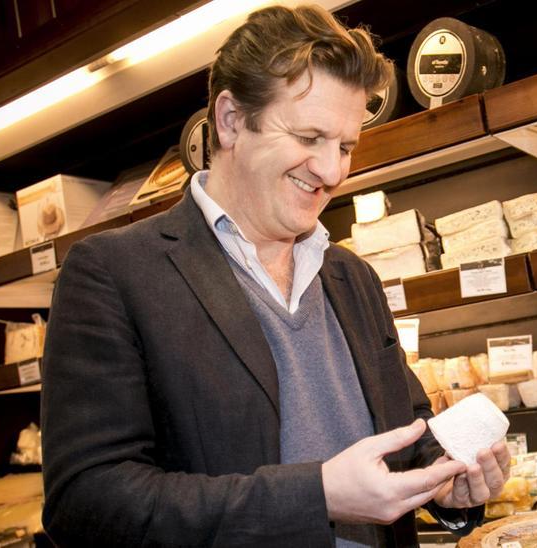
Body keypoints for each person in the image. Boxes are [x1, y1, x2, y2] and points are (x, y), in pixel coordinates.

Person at [40, 5, 510, 546]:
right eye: (309, 138)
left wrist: (445, 485)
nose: (332, 171)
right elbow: (87, 503)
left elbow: (406, 428)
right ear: (231, 120)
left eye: (345, 146)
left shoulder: (351, 276)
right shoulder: (115, 275)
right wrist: (318, 495)